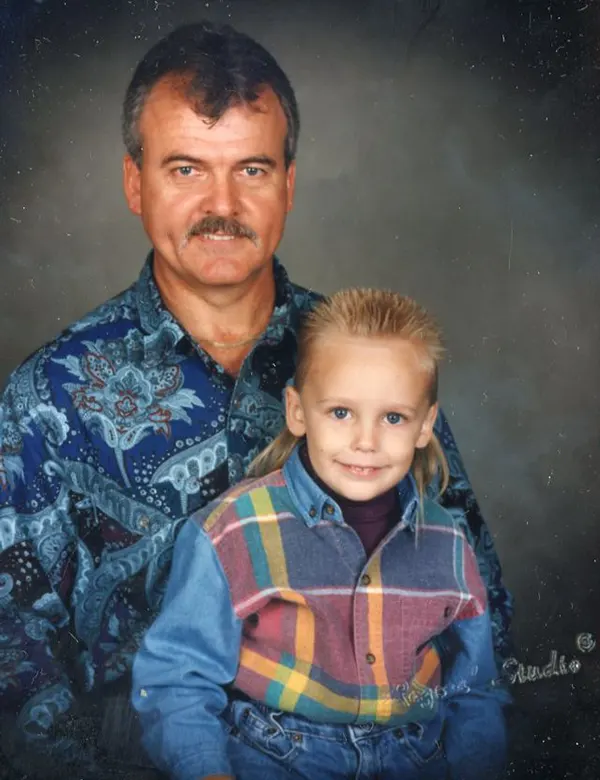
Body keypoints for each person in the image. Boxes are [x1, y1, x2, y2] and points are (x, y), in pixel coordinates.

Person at [0, 20, 512, 780]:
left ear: (290, 183)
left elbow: (475, 596)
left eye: (252, 169)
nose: (221, 204)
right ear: (134, 181)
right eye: (185, 170)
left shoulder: (372, 363)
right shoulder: (49, 395)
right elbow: (13, 645)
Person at [132, 288, 511, 780]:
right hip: (275, 753)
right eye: (340, 412)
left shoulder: (448, 542)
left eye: (393, 417)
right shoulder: (233, 529)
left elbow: (474, 690)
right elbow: (176, 677)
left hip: (414, 756)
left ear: (425, 426)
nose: (366, 442)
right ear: (297, 411)